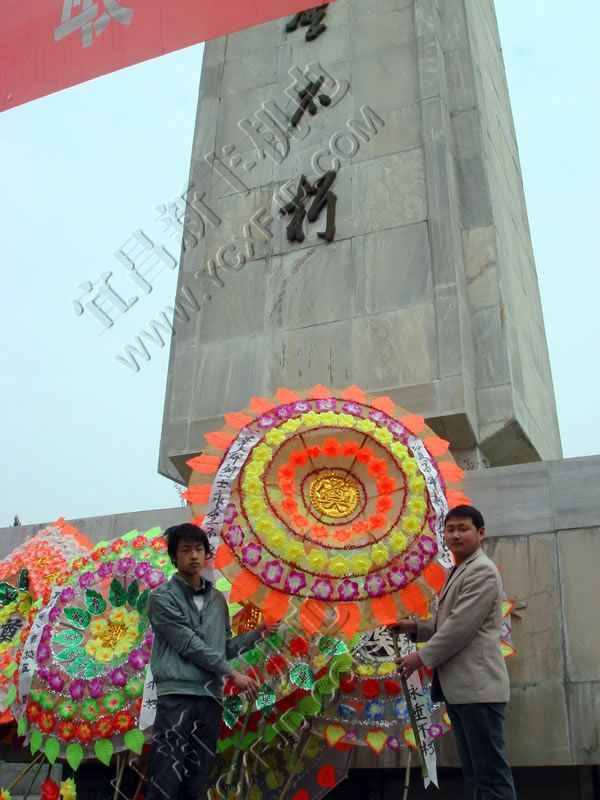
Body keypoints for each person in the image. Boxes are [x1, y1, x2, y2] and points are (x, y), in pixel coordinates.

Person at [146, 523, 277, 800]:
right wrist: (232, 674)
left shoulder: (217, 600)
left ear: (206, 554)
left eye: (199, 549)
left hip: (210, 699)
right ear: (174, 557)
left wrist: (259, 633)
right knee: (165, 776)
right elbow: (187, 643)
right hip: (177, 697)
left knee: (198, 778)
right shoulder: (160, 598)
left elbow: (223, 648)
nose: (194, 555)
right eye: (185, 550)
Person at [396, 505, 516, 800]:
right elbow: (447, 623)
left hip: (479, 690)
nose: (455, 535)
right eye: (450, 530)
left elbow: (459, 628)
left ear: (481, 533)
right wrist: (414, 627)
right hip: (463, 690)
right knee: (476, 774)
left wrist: (420, 658)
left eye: (463, 529)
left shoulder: (482, 571)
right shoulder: (459, 570)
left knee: (490, 776)